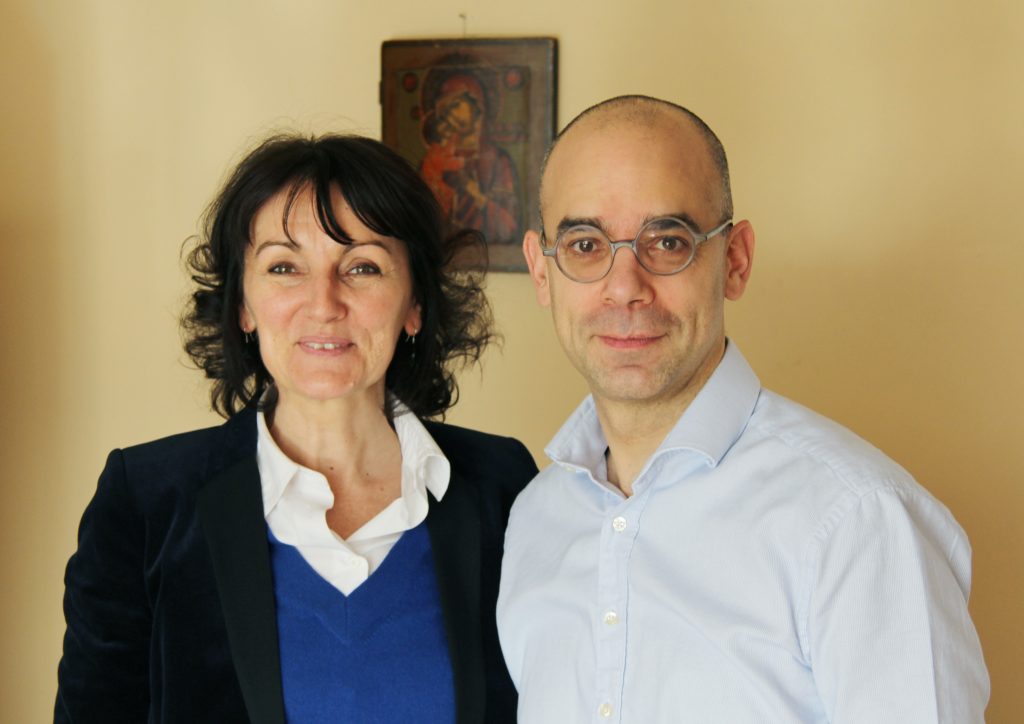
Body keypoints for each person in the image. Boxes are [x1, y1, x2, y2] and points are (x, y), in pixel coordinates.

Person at [496, 96, 989, 723]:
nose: (625, 287)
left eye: (668, 241)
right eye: (586, 244)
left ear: (735, 259)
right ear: (542, 272)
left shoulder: (858, 521)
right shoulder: (536, 520)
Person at [56, 133, 537, 723]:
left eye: (362, 266)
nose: (323, 302)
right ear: (243, 305)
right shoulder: (145, 502)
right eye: (284, 267)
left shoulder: (503, 486)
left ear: (414, 303)